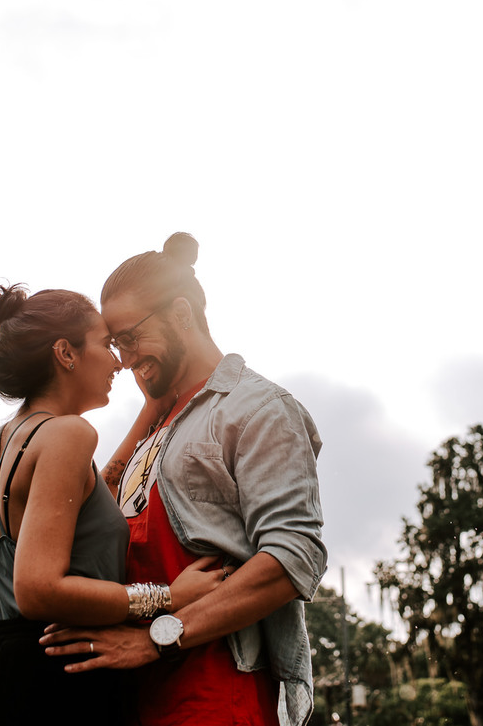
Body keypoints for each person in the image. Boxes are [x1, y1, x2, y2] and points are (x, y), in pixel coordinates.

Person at [41, 233, 327, 726]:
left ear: (180, 314)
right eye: (114, 344)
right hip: (132, 694)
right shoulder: (159, 422)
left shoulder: (257, 408)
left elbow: (293, 555)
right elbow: (99, 511)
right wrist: (151, 413)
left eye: (130, 338)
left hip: (214, 699)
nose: (123, 358)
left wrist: (158, 636)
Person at [0, 283, 223, 725]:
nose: (118, 361)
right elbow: (37, 589)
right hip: (57, 680)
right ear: (65, 353)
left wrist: (151, 410)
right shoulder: (68, 434)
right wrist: (166, 597)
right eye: (107, 344)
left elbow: (85, 504)